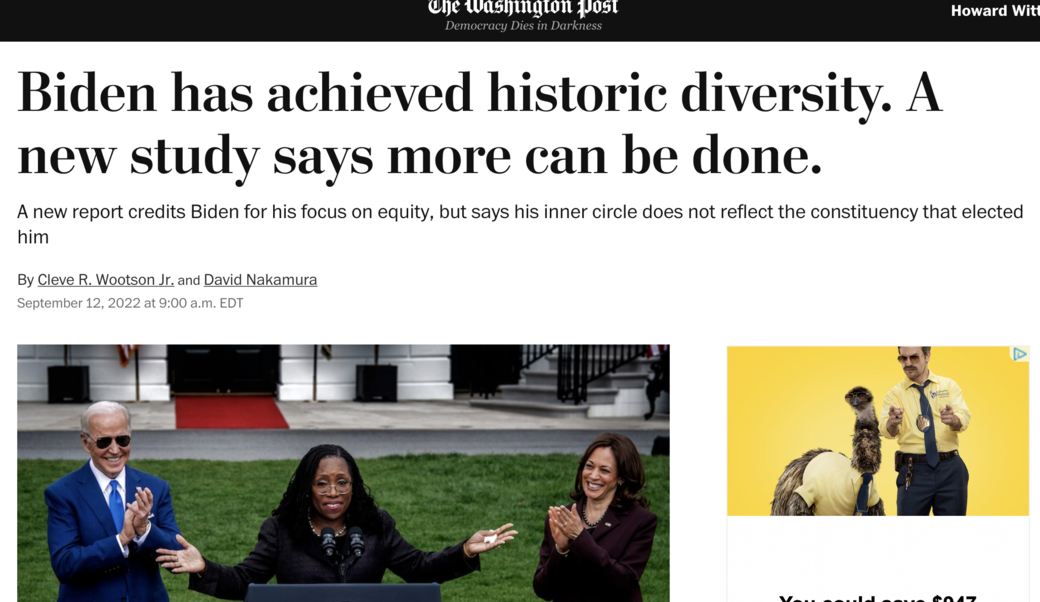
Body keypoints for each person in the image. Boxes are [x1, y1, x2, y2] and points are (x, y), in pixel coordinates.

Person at [157, 443, 517, 599]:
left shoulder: (376, 524)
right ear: (307, 489)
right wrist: (204, 568)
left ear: (353, 485)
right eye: (322, 483)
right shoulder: (281, 529)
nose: (333, 492)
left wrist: (466, 551)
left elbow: (418, 568)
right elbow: (245, 580)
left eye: (342, 482)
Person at [46, 401, 183, 602]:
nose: (115, 449)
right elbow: (65, 565)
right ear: (85, 442)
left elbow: (177, 556)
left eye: (122, 439)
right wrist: (122, 539)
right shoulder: (62, 493)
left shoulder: (156, 487)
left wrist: (144, 530)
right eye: (104, 442)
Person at [533, 433, 657, 602]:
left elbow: (623, 581)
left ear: (621, 477)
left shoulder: (641, 521)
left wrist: (580, 537)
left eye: (604, 470)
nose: (593, 476)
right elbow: (543, 590)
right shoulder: (561, 518)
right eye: (589, 466)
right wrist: (561, 550)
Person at [881, 346, 972, 515]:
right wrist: (893, 422)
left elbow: (963, 417)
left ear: (927, 355)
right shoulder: (895, 394)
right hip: (913, 472)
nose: (908, 363)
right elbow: (887, 431)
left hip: (950, 469)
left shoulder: (949, 385)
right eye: (903, 358)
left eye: (914, 357)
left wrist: (953, 419)